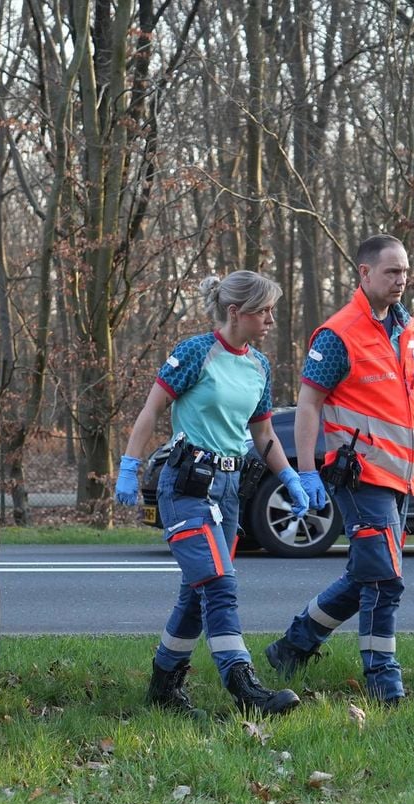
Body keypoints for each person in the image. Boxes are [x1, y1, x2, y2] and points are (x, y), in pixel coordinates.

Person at [114, 270, 308, 719]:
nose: (271, 319)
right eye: (263, 311)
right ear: (235, 312)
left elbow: (264, 435)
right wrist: (129, 465)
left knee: (195, 595)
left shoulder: (259, 366)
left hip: (228, 493)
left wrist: (292, 479)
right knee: (220, 586)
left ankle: (163, 688)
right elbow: (151, 410)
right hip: (186, 488)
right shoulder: (196, 352)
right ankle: (244, 687)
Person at [263, 235, 414, 705]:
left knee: (367, 574)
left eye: (405, 270)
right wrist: (305, 471)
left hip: (402, 475)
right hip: (360, 477)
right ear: (364, 274)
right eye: (391, 271)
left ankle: (293, 647)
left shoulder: (410, 330)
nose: (401, 279)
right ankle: (384, 683)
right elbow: (308, 405)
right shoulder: (338, 335)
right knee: (386, 580)